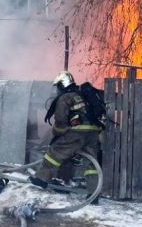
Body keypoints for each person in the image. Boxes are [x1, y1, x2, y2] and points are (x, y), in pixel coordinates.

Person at [30, 71, 102, 200]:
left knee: (55, 152)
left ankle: (42, 179)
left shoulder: (66, 97)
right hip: (93, 132)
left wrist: (57, 133)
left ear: (62, 85)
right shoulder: (82, 94)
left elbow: (61, 120)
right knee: (91, 163)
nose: (57, 90)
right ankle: (94, 192)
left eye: (58, 86)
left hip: (77, 132)